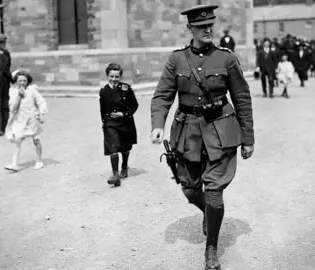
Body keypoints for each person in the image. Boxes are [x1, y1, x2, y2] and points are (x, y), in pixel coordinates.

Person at [150, 4, 255, 270]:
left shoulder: (226, 58)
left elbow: (242, 98)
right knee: (189, 188)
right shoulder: (176, 59)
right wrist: (158, 124)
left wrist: (248, 138)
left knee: (215, 191)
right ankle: (207, 213)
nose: (208, 30)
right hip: (187, 133)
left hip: (221, 131)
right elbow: (163, 95)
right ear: (190, 29)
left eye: (210, 26)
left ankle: (211, 249)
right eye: (201, 27)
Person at [99, 63, 139, 187]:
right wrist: (105, 123)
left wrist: (124, 114)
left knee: (125, 147)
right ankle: (115, 175)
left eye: (117, 77)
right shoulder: (104, 91)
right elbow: (102, 109)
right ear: (107, 76)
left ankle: (124, 166)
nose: (114, 79)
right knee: (113, 147)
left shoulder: (126, 88)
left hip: (125, 122)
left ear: (120, 77)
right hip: (111, 123)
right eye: (111, 76)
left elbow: (134, 105)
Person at [4, 70, 48, 172]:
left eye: (24, 80)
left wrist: (42, 114)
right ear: (16, 81)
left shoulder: (32, 91)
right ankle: (14, 164)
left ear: (28, 81)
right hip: (19, 119)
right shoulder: (12, 92)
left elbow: (41, 102)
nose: (22, 83)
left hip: (32, 118)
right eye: (20, 80)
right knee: (17, 140)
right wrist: (19, 95)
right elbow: (13, 108)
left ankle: (39, 161)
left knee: (36, 139)